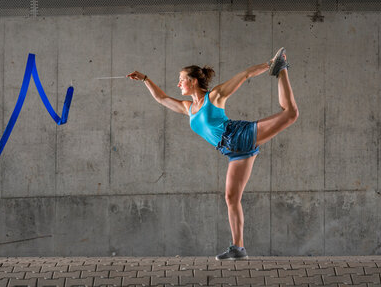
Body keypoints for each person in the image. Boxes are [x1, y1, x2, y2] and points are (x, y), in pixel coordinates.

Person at [127, 47, 298, 260]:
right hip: (233, 152)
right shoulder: (188, 108)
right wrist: (145, 79)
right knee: (231, 197)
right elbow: (161, 98)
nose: (178, 84)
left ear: (194, 81)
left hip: (239, 136)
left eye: (181, 79)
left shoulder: (214, 96)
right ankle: (238, 248)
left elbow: (244, 75)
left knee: (290, 114)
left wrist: (269, 64)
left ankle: (280, 68)